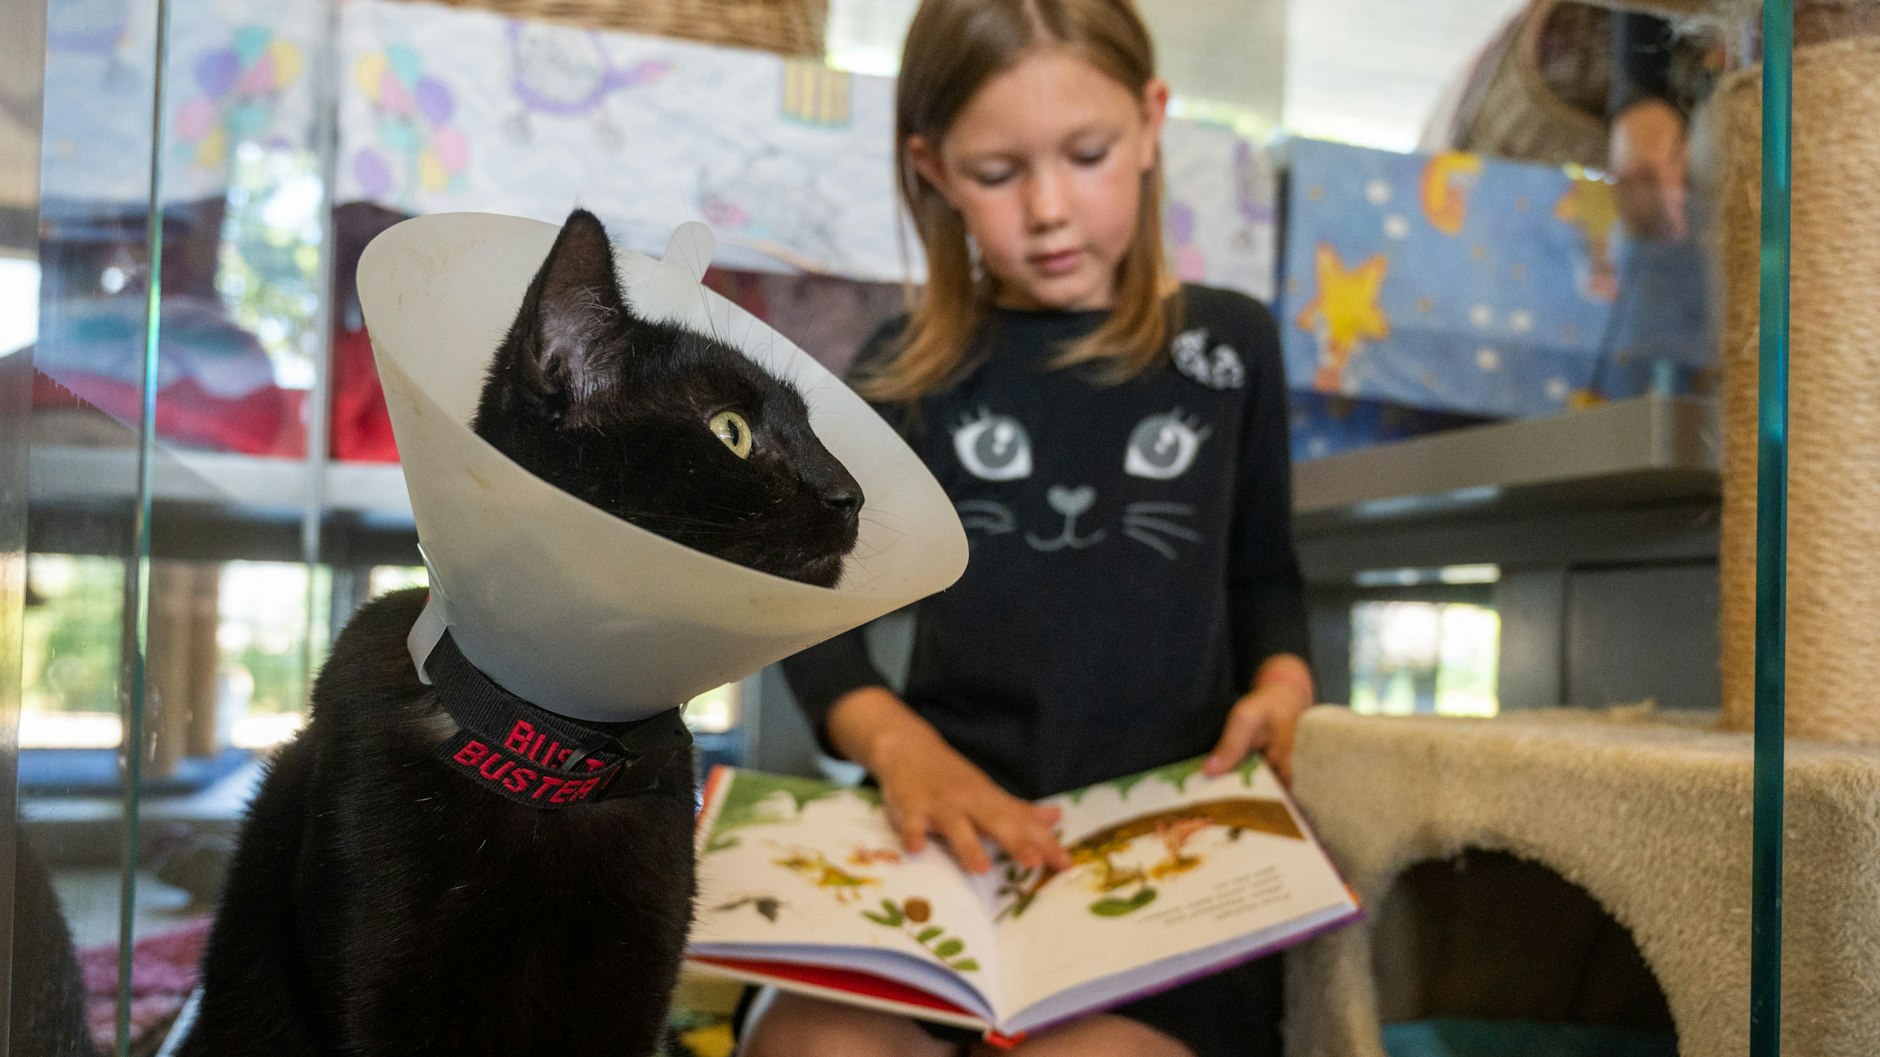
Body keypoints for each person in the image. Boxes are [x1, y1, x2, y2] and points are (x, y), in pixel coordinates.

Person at [739, 2, 1313, 1055]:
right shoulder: (905, 367)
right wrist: (899, 748)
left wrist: (1281, 682)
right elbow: (804, 604)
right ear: (933, 169)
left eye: (1087, 154)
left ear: (1149, 124)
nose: (1048, 209)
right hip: (942, 832)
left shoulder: (1230, 345)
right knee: (807, 1043)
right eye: (998, 174)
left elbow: (1263, 573)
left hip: (1155, 856)